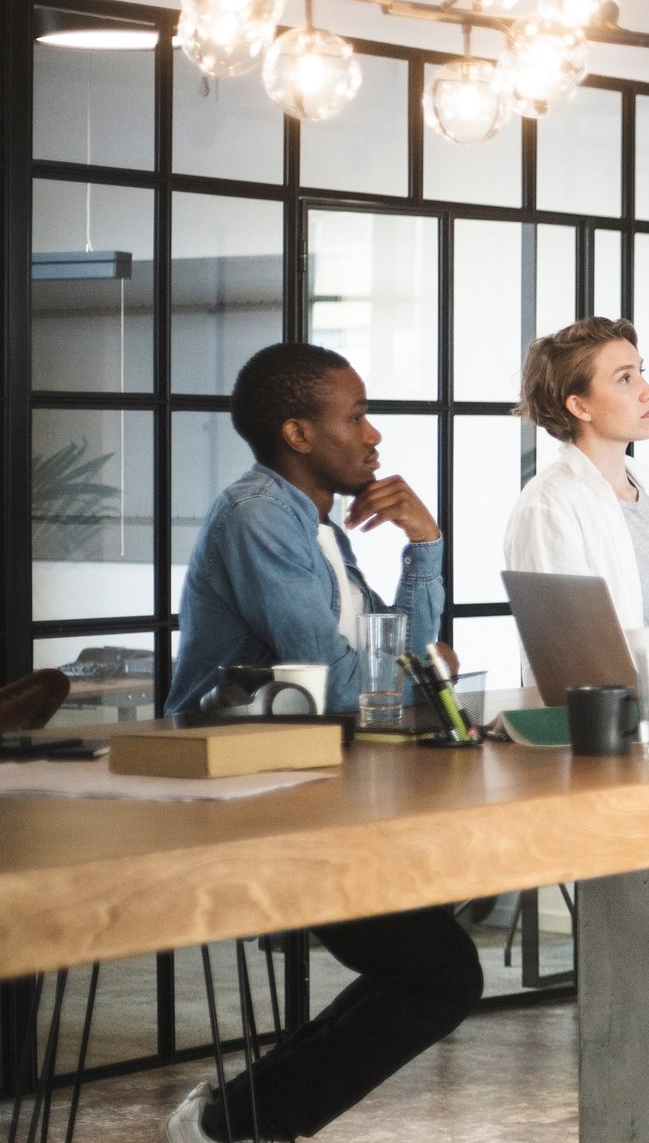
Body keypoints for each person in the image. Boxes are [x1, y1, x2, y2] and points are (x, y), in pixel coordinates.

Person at [165, 342, 482, 1142]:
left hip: (314, 780)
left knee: (434, 967)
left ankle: (233, 1121)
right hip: (240, 797)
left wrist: (426, 545)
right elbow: (351, 683)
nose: (373, 435)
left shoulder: (319, 532)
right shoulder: (258, 517)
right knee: (439, 972)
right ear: (298, 434)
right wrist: (409, 674)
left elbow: (395, 657)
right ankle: (231, 1125)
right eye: (355, 415)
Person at [504, 317, 649, 652]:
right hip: (611, 708)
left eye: (642, 372)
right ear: (580, 406)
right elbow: (575, 655)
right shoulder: (546, 505)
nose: (648, 391)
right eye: (625, 378)